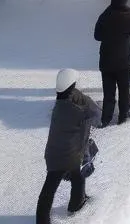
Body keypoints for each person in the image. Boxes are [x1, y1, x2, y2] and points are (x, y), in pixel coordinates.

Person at [36, 68, 100, 224]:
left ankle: (42, 219)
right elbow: (94, 112)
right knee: (76, 178)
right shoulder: (76, 110)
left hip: (53, 153)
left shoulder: (59, 104)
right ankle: (76, 205)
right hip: (69, 155)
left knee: (50, 187)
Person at [93, 0, 130, 125]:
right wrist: (127, 38)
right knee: (124, 90)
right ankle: (123, 116)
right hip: (124, 60)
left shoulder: (105, 15)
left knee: (108, 93)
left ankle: (106, 119)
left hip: (107, 61)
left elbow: (97, 36)